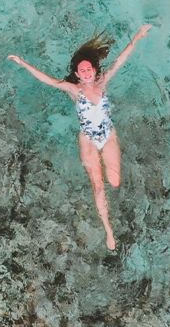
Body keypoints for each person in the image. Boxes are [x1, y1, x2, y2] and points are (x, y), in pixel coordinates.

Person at [8, 24, 153, 250]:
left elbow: (120, 60)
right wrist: (23, 63)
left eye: (89, 69)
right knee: (98, 186)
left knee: (115, 181)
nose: (86, 73)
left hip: (108, 134)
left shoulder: (103, 82)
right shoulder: (73, 89)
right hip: (88, 139)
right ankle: (109, 231)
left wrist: (138, 37)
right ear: (76, 74)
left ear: (94, 70)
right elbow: (48, 80)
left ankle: (110, 196)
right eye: (82, 71)